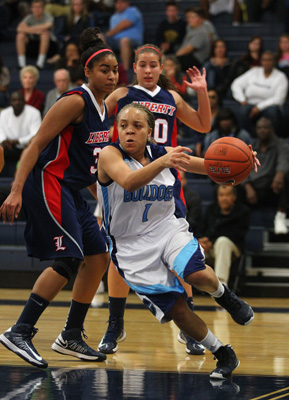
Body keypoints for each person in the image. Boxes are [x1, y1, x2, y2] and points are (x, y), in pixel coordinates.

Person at [97, 102, 256, 379]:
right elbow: (130, 181)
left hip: (166, 229)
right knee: (177, 312)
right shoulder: (109, 155)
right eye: (123, 125)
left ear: (150, 132)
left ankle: (225, 296)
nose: (129, 131)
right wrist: (164, 161)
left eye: (137, 126)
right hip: (130, 246)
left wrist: (239, 163)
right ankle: (223, 353)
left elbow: (211, 167)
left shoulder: (164, 153)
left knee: (194, 273)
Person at [96, 43, 227, 356]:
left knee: (179, 253)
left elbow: (204, 125)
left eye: (154, 65)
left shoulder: (172, 97)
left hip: (166, 181)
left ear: (162, 67)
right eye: (143, 65)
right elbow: (95, 122)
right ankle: (115, 324)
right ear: (135, 67)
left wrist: (203, 91)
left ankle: (189, 326)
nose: (149, 70)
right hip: (127, 176)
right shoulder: (122, 94)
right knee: (119, 253)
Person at [0, 27, 119, 369]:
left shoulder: (104, 109)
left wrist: (105, 203)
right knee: (69, 258)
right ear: (88, 72)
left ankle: (71, 334)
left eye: (114, 71)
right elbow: (36, 145)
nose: (111, 76)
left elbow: (91, 164)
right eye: (104, 70)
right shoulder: (74, 101)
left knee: (98, 257)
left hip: (74, 190)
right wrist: (16, 189)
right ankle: (20, 331)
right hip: (48, 182)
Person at [240, 117, 289, 235]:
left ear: (272, 129)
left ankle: (281, 215)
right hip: (253, 188)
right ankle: (239, 225)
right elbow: (242, 167)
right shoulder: (252, 146)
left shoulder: (281, 144)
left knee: (287, 178)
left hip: (272, 187)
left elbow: (284, 161)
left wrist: (280, 175)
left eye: (265, 127)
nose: (262, 130)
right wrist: (247, 186)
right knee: (231, 185)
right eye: (259, 128)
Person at [197, 185, 251, 287]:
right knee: (191, 245)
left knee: (222, 241)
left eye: (227, 195)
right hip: (209, 248)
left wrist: (211, 242)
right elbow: (201, 229)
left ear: (234, 197)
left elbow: (236, 235)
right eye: (221, 195)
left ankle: (220, 285)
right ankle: (185, 287)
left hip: (232, 249)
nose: (224, 198)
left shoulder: (243, 211)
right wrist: (201, 241)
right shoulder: (211, 209)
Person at [231, 50, 289, 135]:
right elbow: (236, 84)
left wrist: (259, 107)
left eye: (269, 60)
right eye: (264, 60)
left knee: (273, 111)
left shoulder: (281, 77)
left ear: (274, 61)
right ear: (261, 61)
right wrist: (242, 99)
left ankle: (272, 138)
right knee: (243, 111)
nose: (267, 62)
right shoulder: (254, 72)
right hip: (250, 104)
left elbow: (279, 99)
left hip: (269, 106)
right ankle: (248, 138)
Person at [0, 90, 42, 177]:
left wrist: (19, 141)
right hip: (8, 147)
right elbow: (1, 131)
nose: (17, 103)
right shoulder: (4, 113)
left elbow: (36, 134)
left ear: (24, 101)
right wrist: (3, 141)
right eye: (14, 100)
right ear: (10, 102)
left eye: (20, 100)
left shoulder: (34, 113)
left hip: (26, 148)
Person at [102, 0, 144, 74]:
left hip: (133, 40)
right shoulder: (114, 16)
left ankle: (125, 71)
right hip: (115, 40)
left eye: (122, 2)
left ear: (127, 3)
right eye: (117, 3)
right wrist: (106, 36)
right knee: (100, 37)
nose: (119, 5)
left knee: (124, 41)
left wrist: (108, 34)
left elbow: (124, 25)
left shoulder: (133, 11)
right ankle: (108, 65)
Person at [16, 0, 57, 69]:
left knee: (45, 33)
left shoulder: (48, 17)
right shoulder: (29, 17)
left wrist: (28, 29)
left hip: (49, 46)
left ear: (43, 8)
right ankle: (21, 64)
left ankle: (40, 64)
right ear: (31, 9)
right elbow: (19, 28)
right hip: (33, 44)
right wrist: (36, 31)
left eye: (39, 7)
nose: (37, 9)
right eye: (35, 7)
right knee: (20, 35)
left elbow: (48, 26)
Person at [175, 7, 212, 72]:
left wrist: (173, 58)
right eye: (189, 17)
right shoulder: (190, 29)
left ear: (200, 19)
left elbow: (188, 49)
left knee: (172, 63)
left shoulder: (201, 32)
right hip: (189, 57)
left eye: (192, 17)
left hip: (196, 60)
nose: (189, 19)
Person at [179, 170, 203, 237]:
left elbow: (194, 222)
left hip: (189, 234)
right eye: (175, 179)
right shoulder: (167, 198)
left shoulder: (193, 197)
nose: (178, 181)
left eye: (181, 179)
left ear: (185, 181)